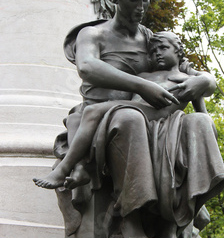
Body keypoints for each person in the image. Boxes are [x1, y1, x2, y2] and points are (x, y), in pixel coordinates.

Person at [36, 0, 224, 238]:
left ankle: (181, 215)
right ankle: (130, 218)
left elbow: (190, 71)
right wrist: (141, 85)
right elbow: (88, 67)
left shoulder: (151, 39)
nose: (140, 6)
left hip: (151, 116)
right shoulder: (93, 34)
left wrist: (206, 82)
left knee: (200, 121)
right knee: (129, 118)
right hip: (104, 116)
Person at [33, 32, 204, 190]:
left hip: (158, 116)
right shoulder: (144, 76)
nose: (157, 53)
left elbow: (202, 116)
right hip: (132, 111)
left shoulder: (189, 80)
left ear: (179, 51)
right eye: (153, 51)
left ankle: (62, 170)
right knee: (75, 117)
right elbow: (128, 98)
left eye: (163, 48)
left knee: (93, 111)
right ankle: (80, 167)